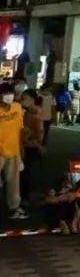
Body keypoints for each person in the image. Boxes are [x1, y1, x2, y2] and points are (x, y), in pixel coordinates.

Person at [0, 83, 26, 219]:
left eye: (10, 93)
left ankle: (14, 207)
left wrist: (21, 149)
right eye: (5, 94)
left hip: (14, 150)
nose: (8, 96)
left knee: (14, 181)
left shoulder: (17, 107)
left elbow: (20, 129)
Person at [43, 160, 80, 234]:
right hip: (60, 207)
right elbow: (49, 198)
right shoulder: (59, 182)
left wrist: (75, 195)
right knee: (60, 203)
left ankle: (74, 223)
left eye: (78, 172)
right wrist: (60, 197)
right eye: (74, 172)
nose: (76, 174)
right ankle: (62, 223)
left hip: (75, 208)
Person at [20, 90, 44, 206]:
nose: (22, 100)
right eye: (22, 98)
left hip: (30, 146)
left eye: (25, 98)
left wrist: (37, 143)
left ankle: (26, 197)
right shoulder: (26, 111)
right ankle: (25, 195)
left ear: (33, 99)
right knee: (26, 172)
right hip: (27, 145)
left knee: (26, 172)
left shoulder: (35, 113)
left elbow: (40, 132)